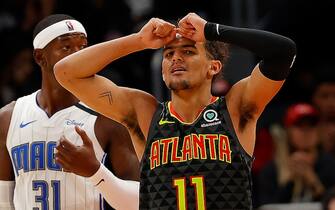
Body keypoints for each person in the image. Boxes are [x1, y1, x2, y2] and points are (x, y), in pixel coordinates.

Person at [54, 12, 296, 209]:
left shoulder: (235, 108)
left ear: (213, 67)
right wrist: (138, 41)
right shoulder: (145, 113)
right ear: (162, 69)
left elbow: (283, 51)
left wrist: (211, 30)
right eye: (169, 54)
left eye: (188, 51)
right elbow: (65, 72)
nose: (176, 58)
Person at [0, 14, 139, 210]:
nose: (79, 55)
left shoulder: (107, 116)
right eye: (66, 47)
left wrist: (96, 172)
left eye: (82, 47)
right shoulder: (8, 117)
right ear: (40, 57)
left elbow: (139, 202)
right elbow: (3, 201)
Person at [258, 103, 335, 205]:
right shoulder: (272, 169)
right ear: (288, 131)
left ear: (318, 130)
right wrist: (290, 182)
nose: (306, 131)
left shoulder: (330, 165)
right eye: (299, 126)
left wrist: (313, 183)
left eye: (311, 125)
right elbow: (265, 205)